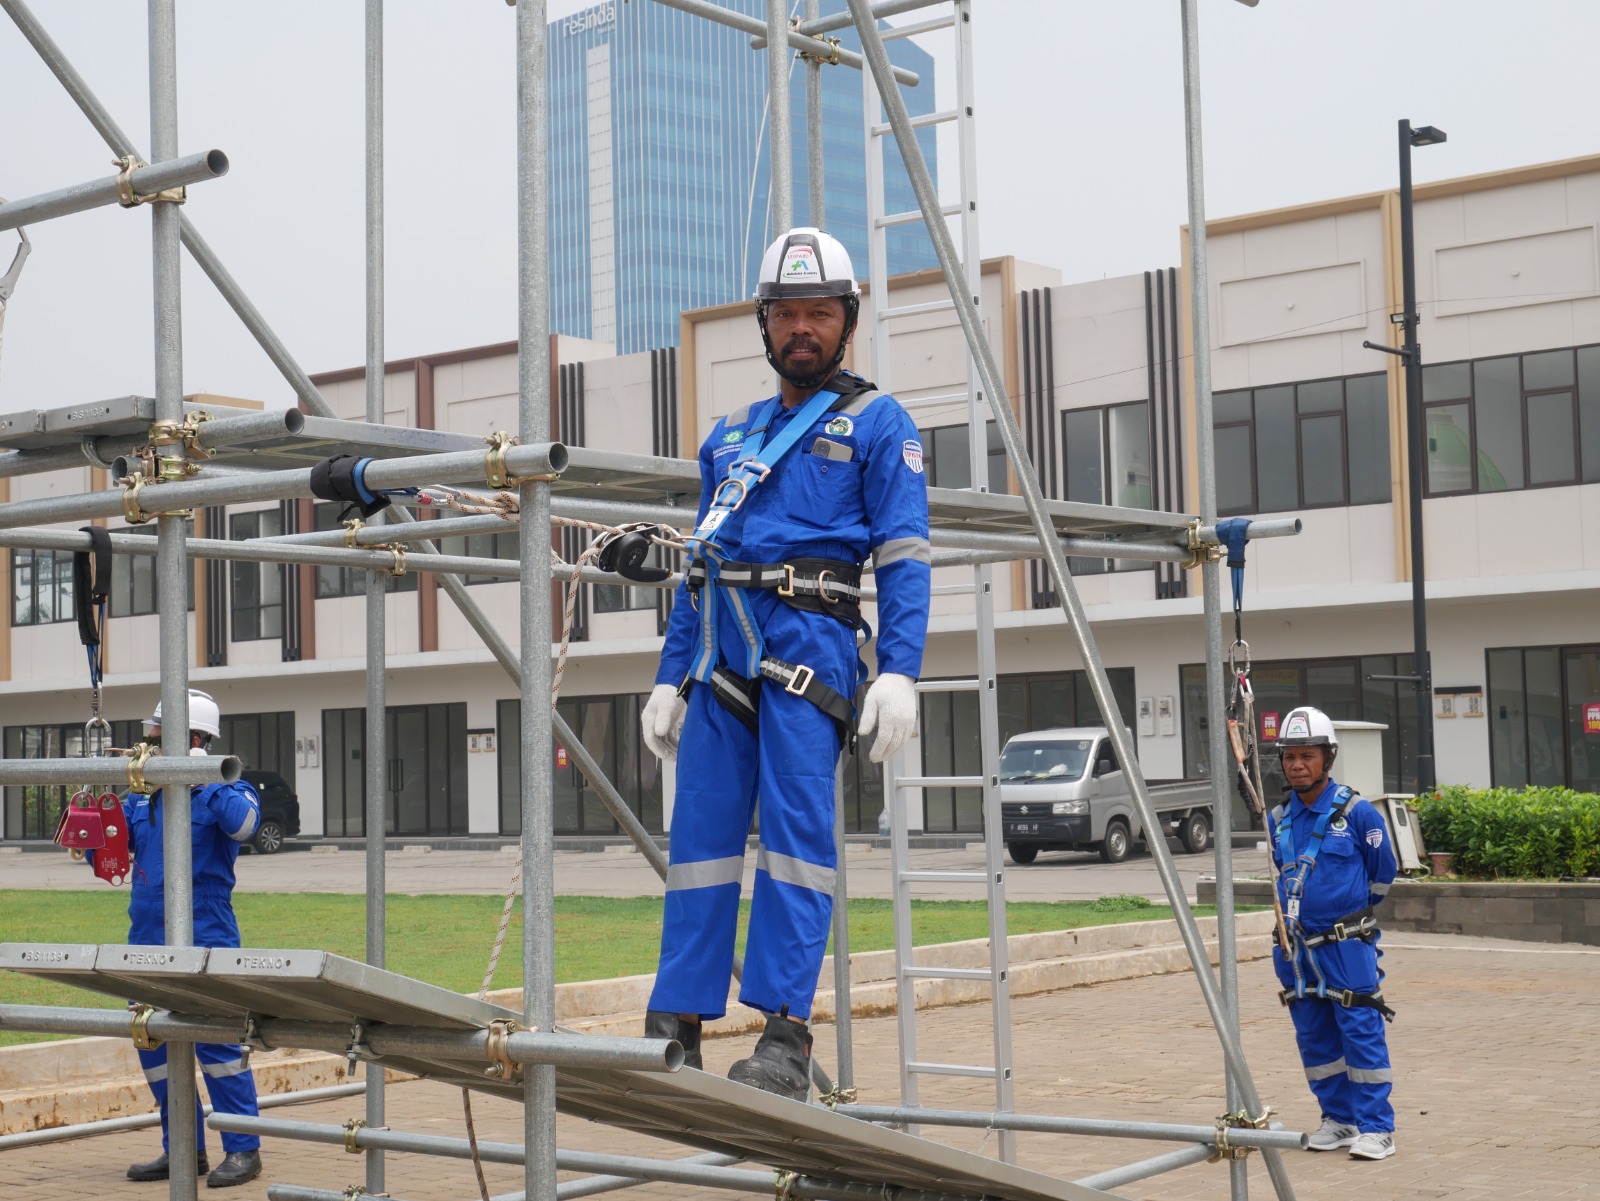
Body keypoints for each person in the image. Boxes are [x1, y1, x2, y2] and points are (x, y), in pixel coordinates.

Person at [638, 227, 930, 1100]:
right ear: (764, 324)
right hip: (721, 643)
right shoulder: (728, 437)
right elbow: (701, 562)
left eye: (820, 313)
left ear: (848, 322)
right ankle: (676, 1020)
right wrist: (670, 673)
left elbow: (904, 555)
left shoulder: (880, 424)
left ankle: (784, 1037)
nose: (803, 328)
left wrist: (901, 668)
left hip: (809, 645)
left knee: (797, 842)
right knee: (699, 838)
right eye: (787, 314)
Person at [91, 689, 266, 1187]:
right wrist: (94, 816)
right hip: (146, 935)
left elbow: (245, 826)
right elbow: (111, 853)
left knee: (218, 1047)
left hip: (206, 932)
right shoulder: (144, 796)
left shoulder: (229, 787)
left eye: (156, 735)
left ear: (193, 739)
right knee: (154, 1046)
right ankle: (183, 1150)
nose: (146, 743)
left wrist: (201, 774)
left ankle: (244, 1149)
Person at [1266, 705, 1399, 1161]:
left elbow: (1383, 875)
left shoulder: (1358, 813)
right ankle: (1339, 1120)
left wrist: (1349, 917)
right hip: (1295, 949)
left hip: (1346, 946)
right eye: (1290, 757)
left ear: (1328, 757)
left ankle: (1378, 1129)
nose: (1297, 765)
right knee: (1315, 1037)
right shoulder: (1278, 818)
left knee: (1360, 1030)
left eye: (1307, 755)